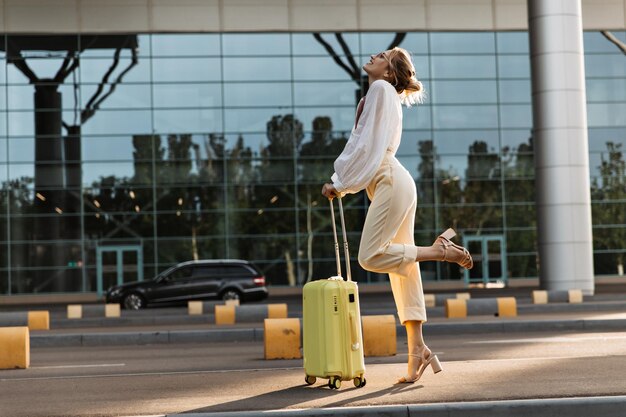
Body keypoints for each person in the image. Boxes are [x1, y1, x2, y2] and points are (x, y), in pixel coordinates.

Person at [321, 47, 473, 384]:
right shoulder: (384, 93)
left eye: (384, 56)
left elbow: (364, 146)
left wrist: (339, 183)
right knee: (404, 269)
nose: (376, 55)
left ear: (389, 73)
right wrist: (345, 184)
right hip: (395, 182)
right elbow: (368, 146)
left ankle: (438, 251)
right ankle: (417, 349)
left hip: (390, 180)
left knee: (370, 255)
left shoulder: (379, 90)